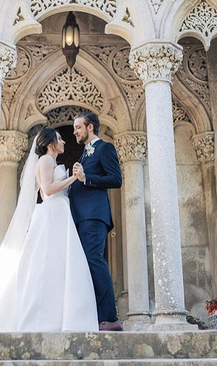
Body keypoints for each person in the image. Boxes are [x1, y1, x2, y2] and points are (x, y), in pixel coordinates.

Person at [0, 128, 98, 332]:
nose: (64, 141)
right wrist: (74, 178)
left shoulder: (50, 162)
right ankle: (46, 317)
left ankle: (56, 315)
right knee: (50, 262)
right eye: (59, 138)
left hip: (58, 212)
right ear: (50, 144)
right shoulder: (46, 161)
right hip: (52, 213)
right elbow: (47, 190)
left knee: (56, 263)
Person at [70, 111, 123, 331]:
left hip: (94, 215)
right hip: (82, 217)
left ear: (90, 127)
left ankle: (110, 318)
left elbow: (116, 179)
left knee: (94, 260)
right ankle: (96, 316)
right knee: (87, 264)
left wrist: (86, 178)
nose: (75, 132)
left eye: (78, 127)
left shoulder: (105, 148)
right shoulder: (85, 152)